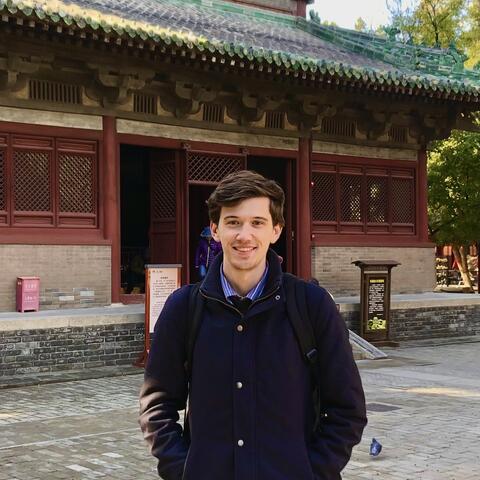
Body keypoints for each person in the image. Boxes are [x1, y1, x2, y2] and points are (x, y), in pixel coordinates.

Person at [139, 170, 367, 480]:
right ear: (215, 230)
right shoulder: (184, 308)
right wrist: (182, 469)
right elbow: (157, 405)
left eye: (257, 223)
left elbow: (347, 409)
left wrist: (313, 471)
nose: (244, 235)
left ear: (276, 230)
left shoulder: (311, 305)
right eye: (233, 222)